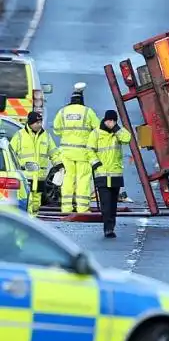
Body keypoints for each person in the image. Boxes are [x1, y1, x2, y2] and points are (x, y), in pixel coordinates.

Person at [52, 84, 100, 213]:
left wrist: (67, 134)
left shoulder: (62, 112)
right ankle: (82, 208)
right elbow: (97, 129)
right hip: (83, 152)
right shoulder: (87, 112)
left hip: (66, 152)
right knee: (83, 179)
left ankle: (66, 207)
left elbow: (56, 129)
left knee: (68, 179)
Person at [87, 110, 131, 238]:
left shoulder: (117, 133)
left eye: (113, 121)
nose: (110, 123)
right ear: (105, 120)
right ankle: (107, 228)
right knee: (105, 203)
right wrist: (95, 163)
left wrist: (116, 128)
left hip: (115, 174)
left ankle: (111, 226)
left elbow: (127, 138)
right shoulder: (96, 133)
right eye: (109, 120)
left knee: (113, 204)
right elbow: (89, 150)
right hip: (101, 174)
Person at [9, 112, 62, 217]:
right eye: (36, 122)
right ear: (30, 123)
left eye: (40, 122)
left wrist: (59, 164)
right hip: (25, 177)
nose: (39, 124)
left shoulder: (46, 136)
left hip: (40, 177)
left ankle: (33, 222)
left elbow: (54, 152)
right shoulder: (20, 136)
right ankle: (27, 223)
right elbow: (11, 154)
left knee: (36, 203)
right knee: (27, 201)